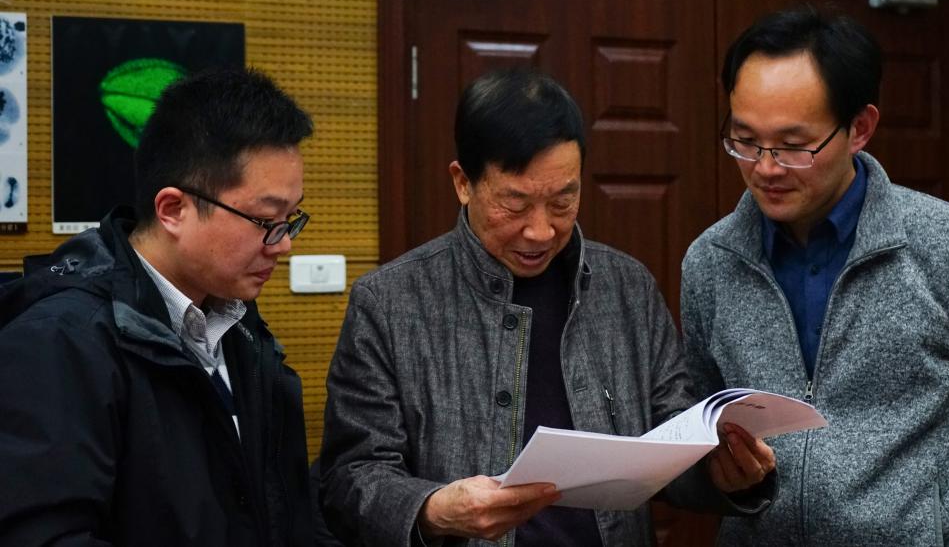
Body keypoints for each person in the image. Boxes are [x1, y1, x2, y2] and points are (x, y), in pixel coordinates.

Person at [320, 68, 777, 546]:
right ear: (463, 182)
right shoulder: (390, 304)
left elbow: (673, 440)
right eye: (515, 204)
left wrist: (724, 472)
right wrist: (433, 510)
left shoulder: (627, 288)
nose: (540, 232)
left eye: (563, 201)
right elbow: (350, 478)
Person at [680, 5, 949, 545]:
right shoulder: (710, 262)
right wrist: (732, 481)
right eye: (745, 139)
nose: (765, 167)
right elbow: (702, 437)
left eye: (794, 146)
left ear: (859, 128)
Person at [0, 67, 315, 546]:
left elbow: (286, 510)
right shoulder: (59, 342)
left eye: (290, 219)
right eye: (266, 220)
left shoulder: (239, 325)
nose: (283, 244)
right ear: (173, 210)